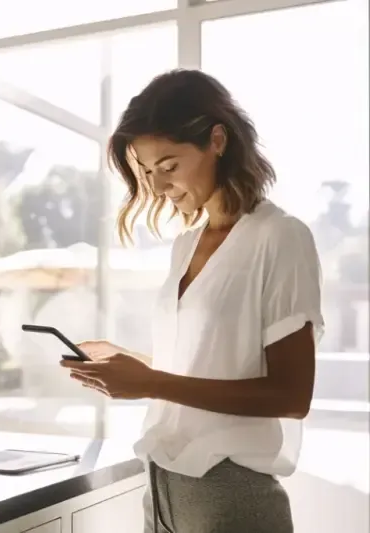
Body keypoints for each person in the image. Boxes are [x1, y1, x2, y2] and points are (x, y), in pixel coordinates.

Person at [60, 69, 324, 533]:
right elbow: (204, 368)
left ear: (217, 140)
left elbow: (291, 394)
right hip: (161, 490)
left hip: (231, 498)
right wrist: (130, 363)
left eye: (169, 165)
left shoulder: (280, 237)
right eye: (146, 172)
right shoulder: (186, 244)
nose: (158, 187)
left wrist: (150, 382)